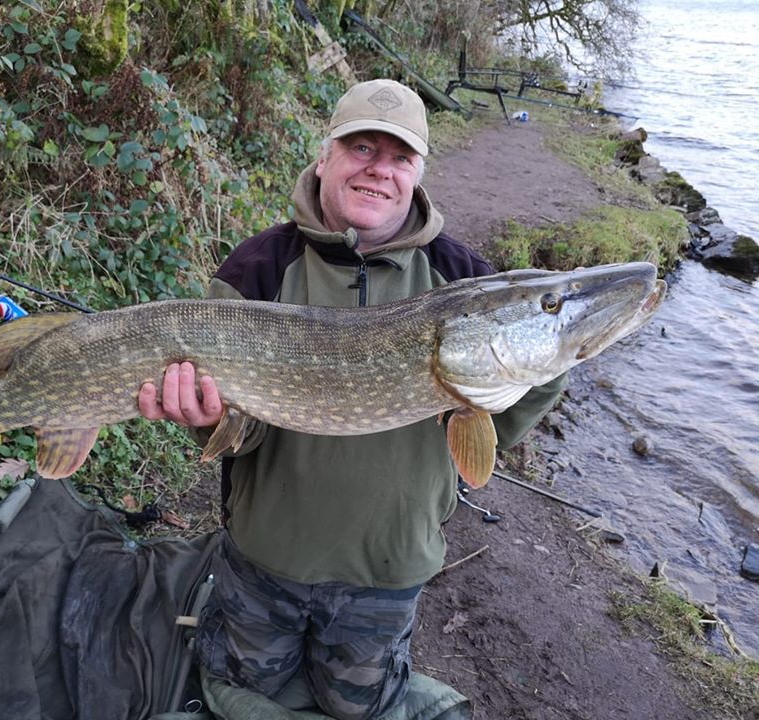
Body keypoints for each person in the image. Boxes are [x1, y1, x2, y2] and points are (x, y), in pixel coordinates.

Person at [138, 79, 565, 720]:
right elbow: (238, 430)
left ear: (418, 173)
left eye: (399, 157)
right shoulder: (258, 268)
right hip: (265, 557)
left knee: (355, 702)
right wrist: (208, 419)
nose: (379, 170)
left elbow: (492, 435)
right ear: (325, 157)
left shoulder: (466, 280)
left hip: (388, 571)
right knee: (245, 687)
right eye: (361, 147)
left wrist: (550, 366)